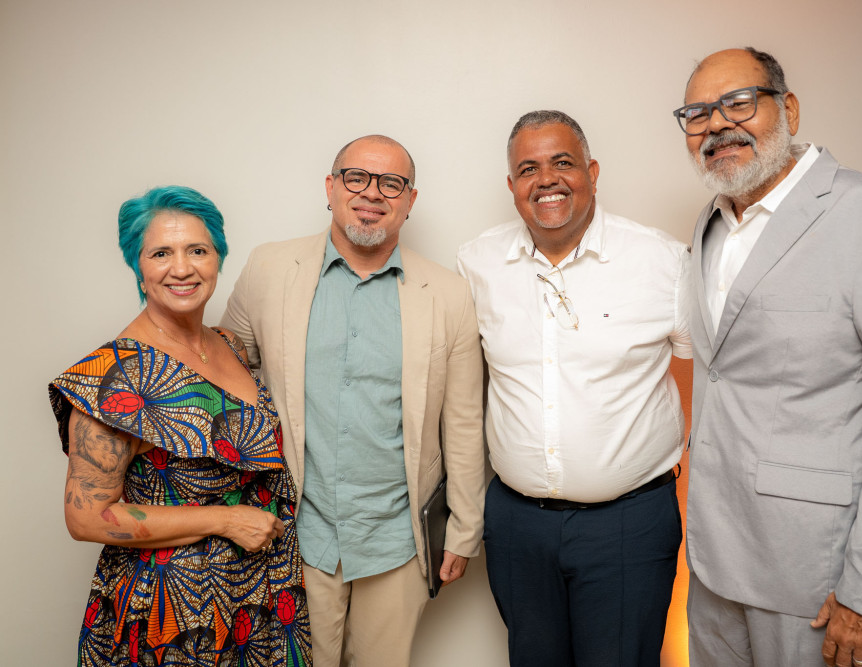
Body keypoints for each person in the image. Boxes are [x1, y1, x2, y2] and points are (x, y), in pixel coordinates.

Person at [675, 47, 862, 667]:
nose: (717, 124)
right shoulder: (711, 221)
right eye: (697, 114)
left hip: (816, 574)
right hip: (712, 562)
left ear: (789, 109)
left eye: (738, 103)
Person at [219, 134, 485, 667]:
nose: (372, 193)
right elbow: (225, 381)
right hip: (293, 531)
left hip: (397, 539)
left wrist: (464, 529)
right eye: (356, 177)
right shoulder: (269, 268)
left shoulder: (449, 294)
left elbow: (462, 422)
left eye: (392, 183)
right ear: (331, 187)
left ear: (410, 200)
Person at [457, 110, 691, 667]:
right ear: (511, 185)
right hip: (516, 525)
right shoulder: (477, 263)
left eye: (562, 162)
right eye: (528, 169)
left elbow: (710, 374)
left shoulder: (662, 261)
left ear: (592, 171)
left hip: (629, 523)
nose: (547, 179)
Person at [49, 186, 311, 666]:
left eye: (198, 250)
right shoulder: (114, 377)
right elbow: (86, 518)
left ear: (218, 258)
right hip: (174, 610)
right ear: (138, 266)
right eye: (161, 253)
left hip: (263, 592)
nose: (183, 268)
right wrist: (225, 520)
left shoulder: (230, 344)